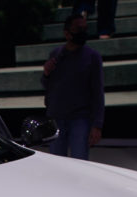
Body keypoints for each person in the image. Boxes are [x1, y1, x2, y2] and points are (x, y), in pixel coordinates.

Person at [41, 13, 104, 160]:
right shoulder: (56, 54)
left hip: (80, 118)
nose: (82, 32)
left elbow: (98, 91)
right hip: (57, 117)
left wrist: (97, 125)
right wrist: (46, 73)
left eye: (85, 28)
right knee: (57, 162)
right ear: (67, 33)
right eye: (78, 29)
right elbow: (47, 85)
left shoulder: (92, 56)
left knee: (79, 161)